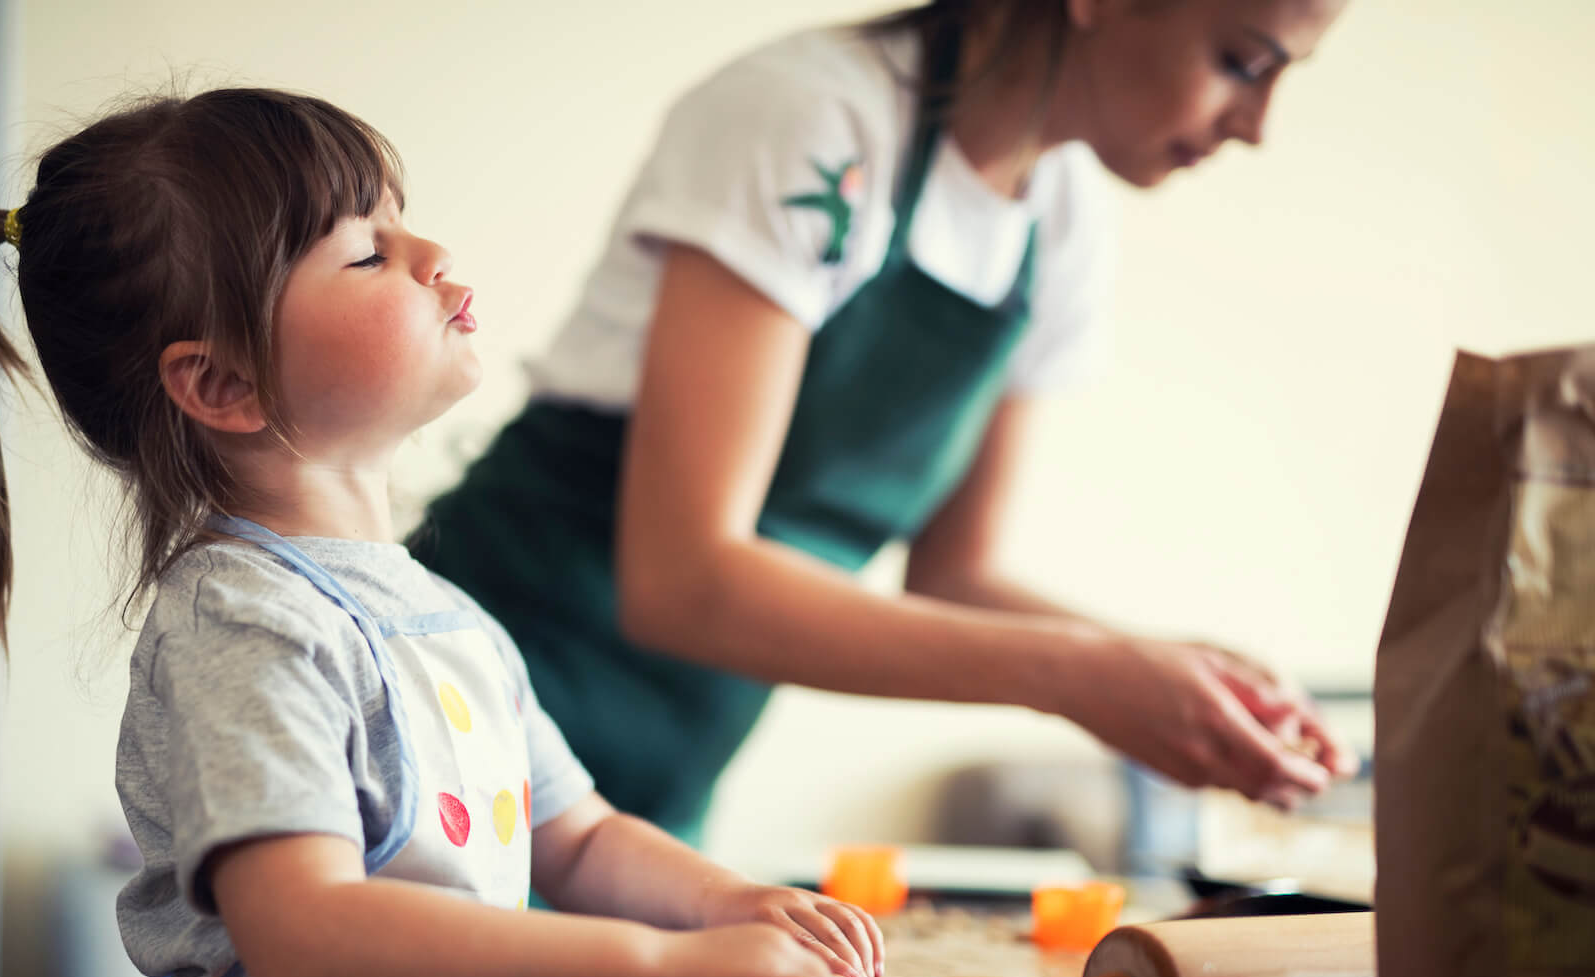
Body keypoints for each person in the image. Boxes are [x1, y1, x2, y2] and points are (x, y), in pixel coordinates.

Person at [0, 87, 891, 977]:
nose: (431, 252)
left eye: (403, 223)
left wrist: (727, 905)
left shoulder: (446, 615)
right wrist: (666, 967)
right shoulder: (244, 619)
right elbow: (314, 937)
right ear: (223, 383)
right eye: (367, 252)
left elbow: (581, 839)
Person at [413, 0, 1360, 845]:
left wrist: (1167, 672)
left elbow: (959, 576)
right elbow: (683, 582)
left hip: (653, 802)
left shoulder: (1060, 221)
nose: (1260, 126)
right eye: (1243, 60)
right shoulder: (810, 121)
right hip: (469, 727)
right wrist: (1079, 677)